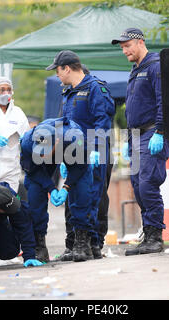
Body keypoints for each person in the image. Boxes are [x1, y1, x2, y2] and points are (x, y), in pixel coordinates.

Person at [46, 50, 115, 261]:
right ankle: (76, 244)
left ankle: (90, 245)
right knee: (75, 199)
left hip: (93, 153)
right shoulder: (69, 92)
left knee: (91, 196)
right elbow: (63, 126)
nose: (57, 75)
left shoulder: (95, 88)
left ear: (67, 68)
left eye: (58, 70)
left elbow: (102, 121)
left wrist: (95, 149)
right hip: (73, 154)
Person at [111, 28, 169, 255]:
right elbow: (132, 110)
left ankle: (156, 236)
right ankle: (148, 235)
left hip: (152, 133)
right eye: (122, 48)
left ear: (139, 42)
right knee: (138, 186)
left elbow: (164, 101)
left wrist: (161, 131)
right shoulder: (135, 70)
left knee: (148, 184)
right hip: (137, 135)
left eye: (127, 46)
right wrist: (129, 140)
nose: (124, 50)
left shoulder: (156, 65)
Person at [20, 116, 95, 262]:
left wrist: (66, 187)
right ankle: (39, 246)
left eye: (45, 151)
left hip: (71, 153)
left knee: (82, 192)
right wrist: (51, 188)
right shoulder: (28, 142)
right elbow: (32, 170)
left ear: (57, 141)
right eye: (40, 151)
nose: (43, 155)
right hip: (42, 165)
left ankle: (82, 243)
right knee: (35, 193)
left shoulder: (74, 137)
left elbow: (80, 167)